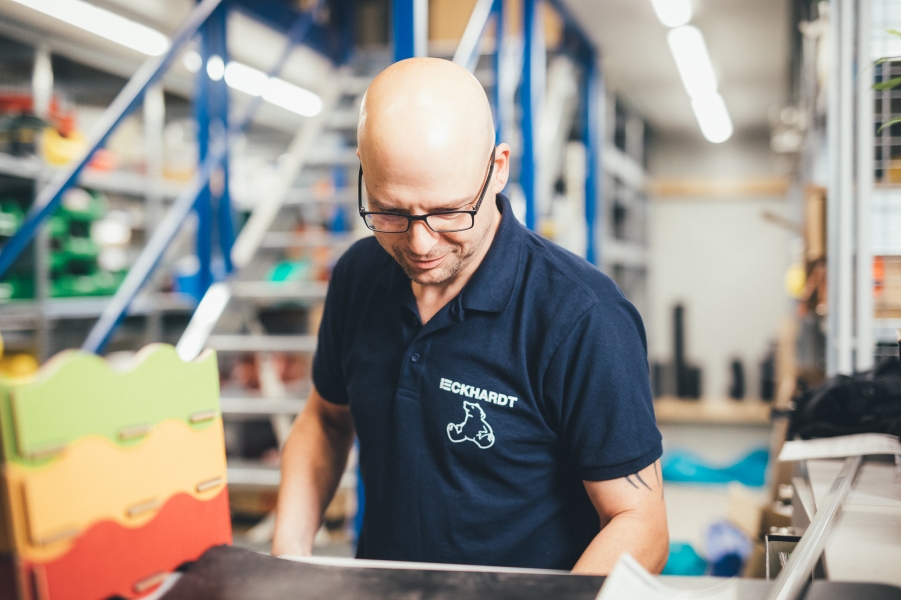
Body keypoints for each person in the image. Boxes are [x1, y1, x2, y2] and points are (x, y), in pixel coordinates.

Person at [271, 57, 668, 575]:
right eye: (390, 211)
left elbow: (640, 523)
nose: (419, 243)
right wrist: (287, 562)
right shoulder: (357, 277)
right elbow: (325, 418)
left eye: (449, 212)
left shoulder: (583, 318)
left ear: (497, 168)